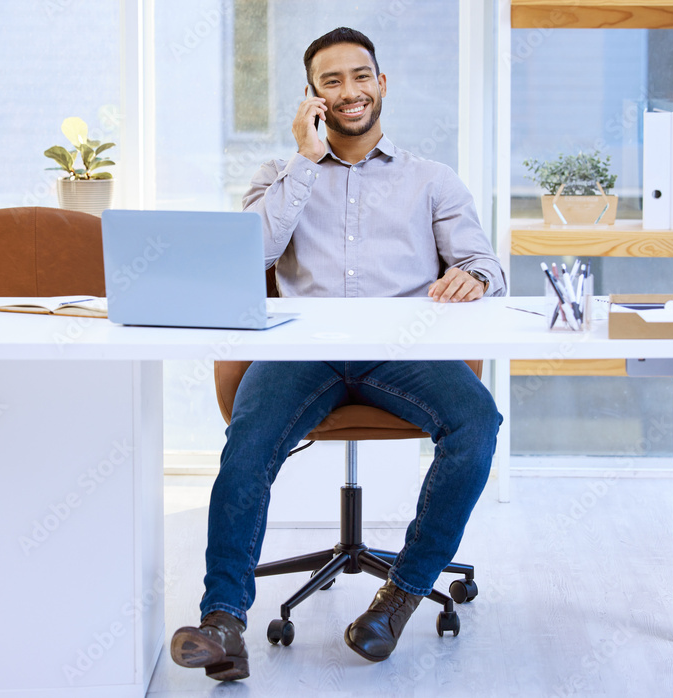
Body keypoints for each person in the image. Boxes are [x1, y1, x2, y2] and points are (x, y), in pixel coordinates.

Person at [170, 26, 506, 681]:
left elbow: (484, 260)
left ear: (382, 85)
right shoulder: (278, 176)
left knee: (479, 423)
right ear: (312, 98)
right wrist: (303, 160)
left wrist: (476, 276)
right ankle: (224, 623)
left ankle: (400, 595)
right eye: (331, 81)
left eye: (360, 76)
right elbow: (250, 260)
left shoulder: (432, 180)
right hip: (302, 352)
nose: (349, 91)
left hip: (403, 351)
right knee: (247, 440)